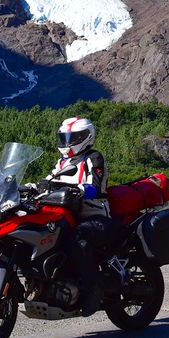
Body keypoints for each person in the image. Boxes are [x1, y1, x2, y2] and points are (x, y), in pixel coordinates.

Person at [42, 116, 113, 316]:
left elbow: (95, 187)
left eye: (72, 138)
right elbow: (50, 179)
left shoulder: (94, 158)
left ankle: (94, 288)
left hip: (95, 216)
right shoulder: (63, 161)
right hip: (69, 216)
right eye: (64, 138)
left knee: (78, 240)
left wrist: (77, 190)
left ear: (86, 137)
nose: (67, 143)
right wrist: (31, 187)